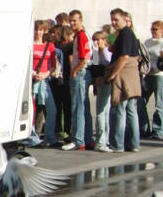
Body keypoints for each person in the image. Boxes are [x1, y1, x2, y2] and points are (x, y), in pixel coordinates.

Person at [104, 8, 141, 152]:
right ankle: (134, 144)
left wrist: (113, 74)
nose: (113, 23)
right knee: (131, 110)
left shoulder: (126, 33)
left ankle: (118, 144)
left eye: (116, 20)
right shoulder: (127, 34)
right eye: (112, 20)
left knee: (120, 109)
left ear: (125, 20)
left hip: (124, 74)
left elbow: (124, 56)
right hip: (131, 74)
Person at [63, 9, 93, 151]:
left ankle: (78, 139)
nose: (72, 23)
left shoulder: (81, 36)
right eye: (71, 20)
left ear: (81, 20)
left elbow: (84, 58)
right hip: (83, 73)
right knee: (84, 107)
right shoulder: (82, 35)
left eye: (75, 20)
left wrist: (74, 71)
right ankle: (86, 138)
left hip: (80, 73)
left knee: (78, 107)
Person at [31, 20, 58, 147]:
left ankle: (50, 136)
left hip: (45, 80)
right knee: (32, 110)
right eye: (36, 29)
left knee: (51, 109)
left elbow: (53, 66)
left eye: (41, 30)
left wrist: (45, 74)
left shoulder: (50, 46)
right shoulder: (29, 45)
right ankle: (32, 137)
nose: (38, 32)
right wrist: (33, 74)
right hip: (32, 79)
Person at [141, 22, 163, 140]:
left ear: (162, 30)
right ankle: (144, 129)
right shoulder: (148, 42)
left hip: (160, 75)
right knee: (140, 101)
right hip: (147, 74)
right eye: (152, 29)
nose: (153, 31)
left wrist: (156, 68)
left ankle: (158, 131)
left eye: (156, 29)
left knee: (159, 104)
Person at [89, 29, 113, 152]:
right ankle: (101, 140)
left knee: (104, 111)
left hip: (106, 81)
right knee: (101, 111)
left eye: (99, 39)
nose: (96, 42)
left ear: (105, 40)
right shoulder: (96, 52)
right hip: (100, 82)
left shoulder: (106, 51)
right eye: (95, 40)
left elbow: (109, 63)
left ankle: (104, 140)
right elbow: (95, 67)